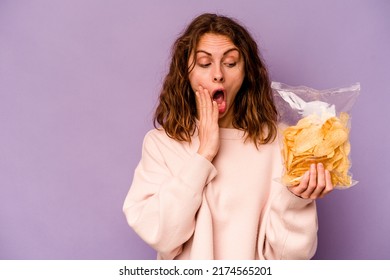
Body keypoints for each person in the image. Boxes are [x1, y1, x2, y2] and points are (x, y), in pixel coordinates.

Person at [123, 13, 334, 260]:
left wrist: (296, 200)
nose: (218, 74)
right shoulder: (162, 144)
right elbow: (161, 235)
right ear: (186, 73)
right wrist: (204, 154)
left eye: (231, 62)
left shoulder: (280, 142)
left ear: (247, 73)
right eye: (204, 63)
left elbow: (289, 257)